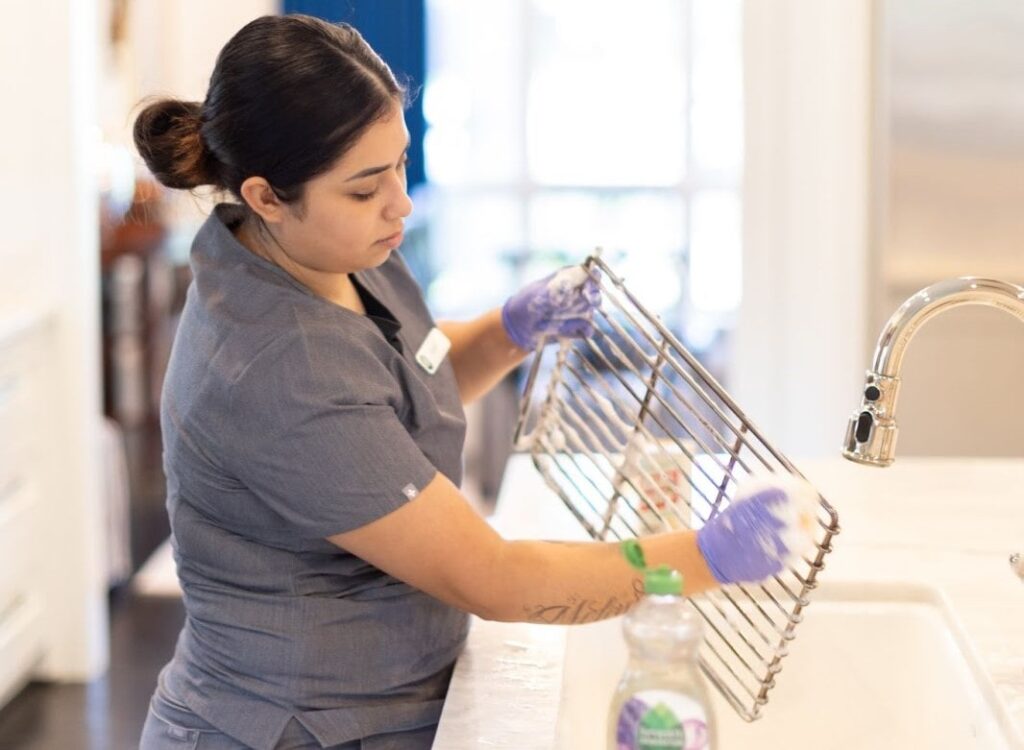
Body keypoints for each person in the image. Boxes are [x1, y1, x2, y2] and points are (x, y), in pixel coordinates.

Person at [134, 15, 807, 750]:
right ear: (265, 196)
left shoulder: (327, 248)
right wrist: (704, 558)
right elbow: (497, 579)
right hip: (295, 726)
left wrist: (508, 331)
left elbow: (398, 382)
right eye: (365, 188)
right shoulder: (274, 370)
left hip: (387, 698)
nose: (401, 202)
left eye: (400, 162)